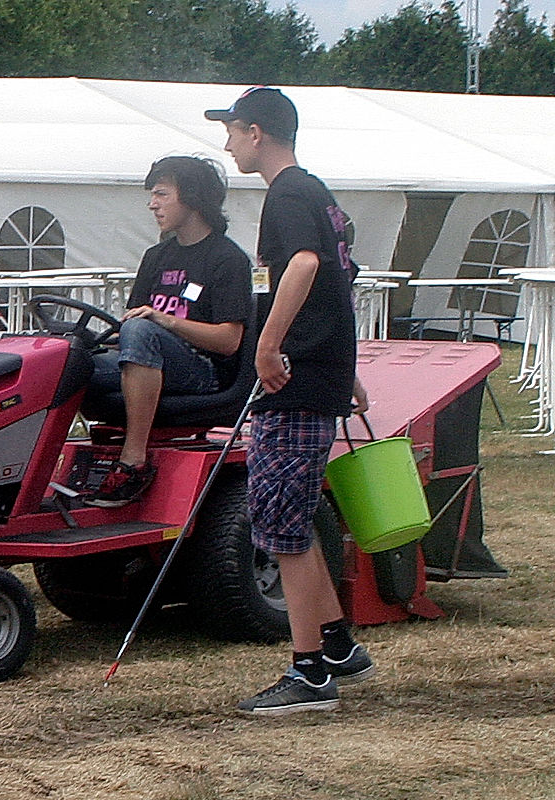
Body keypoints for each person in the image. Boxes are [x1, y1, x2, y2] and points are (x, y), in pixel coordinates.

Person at [205, 87, 373, 715]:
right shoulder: (318, 194)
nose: (226, 143)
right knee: (288, 514)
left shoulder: (288, 193)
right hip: (317, 373)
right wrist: (344, 368)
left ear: (256, 133)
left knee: (282, 524)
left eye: (231, 131)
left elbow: (302, 266)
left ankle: (308, 676)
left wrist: (267, 345)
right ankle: (334, 644)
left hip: (293, 382)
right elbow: (340, 285)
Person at [84, 156, 252, 507]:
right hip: (149, 357)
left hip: (204, 371)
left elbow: (229, 340)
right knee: (68, 359)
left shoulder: (227, 259)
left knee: (143, 331)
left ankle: (134, 460)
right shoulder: (155, 256)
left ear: (191, 198)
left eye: (161, 194)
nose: (152, 204)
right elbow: (133, 324)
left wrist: (166, 320)